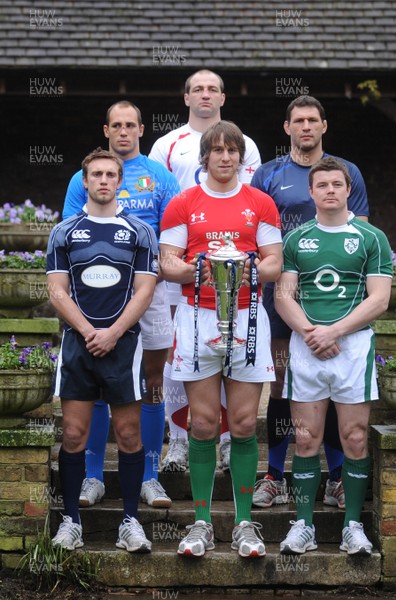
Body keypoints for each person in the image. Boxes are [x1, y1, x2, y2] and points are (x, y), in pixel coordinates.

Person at [159, 121, 282, 558]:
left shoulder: (260, 202)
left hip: (247, 316)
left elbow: (274, 263)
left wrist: (247, 268)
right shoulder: (182, 203)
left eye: (233, 150)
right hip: (197, 319)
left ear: (242, 157)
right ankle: (202, 523)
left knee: (246, 423)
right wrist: (199, 268)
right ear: (205, 156)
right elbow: (167, 263)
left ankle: (246, 522)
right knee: (205, 424)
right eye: (218, 150)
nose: (225, 157)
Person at [250, 95, 369, 510]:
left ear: (323, 126)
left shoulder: (344, 172)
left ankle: (336, 477)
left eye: (312, 120)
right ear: (287, 128)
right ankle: (275, 475)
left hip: (335, 298)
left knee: (336, 384)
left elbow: (361, 238)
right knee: (282, 383)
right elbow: (255, 234)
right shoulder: (268, 174)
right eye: (297, 120)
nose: (305, 126)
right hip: (282, 296)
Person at [63, 101, 180, 509]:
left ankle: (150, 476)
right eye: (117, 125)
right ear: (106, 129)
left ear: (142, 129)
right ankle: (92, 477)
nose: (124, 131)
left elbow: (174, 233)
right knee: (96, 385)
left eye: (131, 125)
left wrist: (149, 275)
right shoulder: (86, 176)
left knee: (151, 385)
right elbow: (70, 240)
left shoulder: (160, 175)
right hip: (97, 298)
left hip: (150, 291)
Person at [275, 156, 392, 555]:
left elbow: (379, 300)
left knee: (354, 438)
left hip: (352, 348)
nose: (329, 190)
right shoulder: (295, 239)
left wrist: (336, 331)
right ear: (311, 192)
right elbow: (283, 295)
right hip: (307, 348)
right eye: (321, 185)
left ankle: (353, 527)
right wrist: (311, 333)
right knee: (305, 440)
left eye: (336, 184)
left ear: (347, 189)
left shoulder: (371, 237)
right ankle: (303, 525)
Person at [150, 69, 262, 473]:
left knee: (232, 350)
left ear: (223, 97)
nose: (205, 94)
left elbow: (247, 196)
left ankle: (231, 440)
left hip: (234, 273)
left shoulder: (244, 144)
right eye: (197, 88)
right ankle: (179, 441)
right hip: (182, 266)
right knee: (179, 357)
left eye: (212, 88)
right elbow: (157, 196)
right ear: (186, 98)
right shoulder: (166, 143)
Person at [49, 148, 158, 552]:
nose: (104, 181)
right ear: (86, 180)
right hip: (78, 347)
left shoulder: (140, 232)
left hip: (124, 346)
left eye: (111, 174)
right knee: (74, 434)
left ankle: (130, 522)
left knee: (129, 434)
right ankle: (71, 522)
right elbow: (57, 291)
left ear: (119, 181)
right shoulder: (63, 231)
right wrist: (89, 330)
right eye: (96, 174)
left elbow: (145, 290)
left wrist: (112, 332)